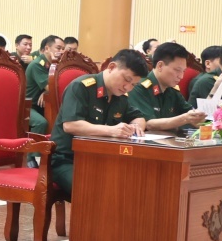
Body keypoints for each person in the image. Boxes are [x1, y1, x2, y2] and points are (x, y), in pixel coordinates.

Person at [48, 49, 149, 195]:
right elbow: (70, 125)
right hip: (67, 160)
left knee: (132, 185)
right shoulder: (81, 87)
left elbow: (138, 117)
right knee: (94, 190)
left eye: (133, 84)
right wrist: (112, 130)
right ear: (112, 67)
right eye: (127, 80)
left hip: (101, 159)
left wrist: (136, 127)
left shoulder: (121, 97)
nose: (128, 87)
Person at [128, 42, 207, 132]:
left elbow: (191, 114)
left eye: (183, 71)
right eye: (177, 70)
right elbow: (149, 124)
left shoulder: (172, 90)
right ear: (160, 66)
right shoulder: (139, 87)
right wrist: (185, 118)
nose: (181, 76)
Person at [24, 35, 64, 133]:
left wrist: (45, 92)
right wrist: (48, 91)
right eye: (58, 48)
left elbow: (55, 86)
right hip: (28, 106)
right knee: (41, 123)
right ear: (47, 48)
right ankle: (33, 143)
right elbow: (52, 88)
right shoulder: (37, 64)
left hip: (44, 105)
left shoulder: (55, 64)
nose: (62, 52)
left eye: (63, 49)